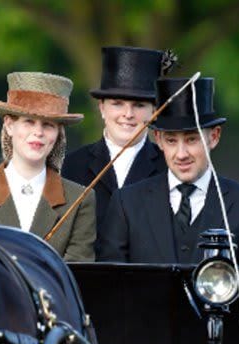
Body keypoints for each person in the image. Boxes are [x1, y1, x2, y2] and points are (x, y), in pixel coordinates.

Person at [99, 76, 239, 327]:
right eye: (172, 141)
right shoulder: (126, 203)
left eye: (192, 139)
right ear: (159, 139)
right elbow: (109, 288)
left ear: (214, 137)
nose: (181, 153)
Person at [0, 71, 96, 262]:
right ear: (10, 125)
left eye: (48, 125)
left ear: (58, 134)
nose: (38, 132)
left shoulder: (80, 200)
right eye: (29, 122)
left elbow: (77, 276)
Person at [62, 46, 169, 242]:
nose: (128, 114)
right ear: (102, 108)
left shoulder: (169, 168)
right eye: (118, 103)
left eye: (139, 105)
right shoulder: (70, 167)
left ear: (154, 111)